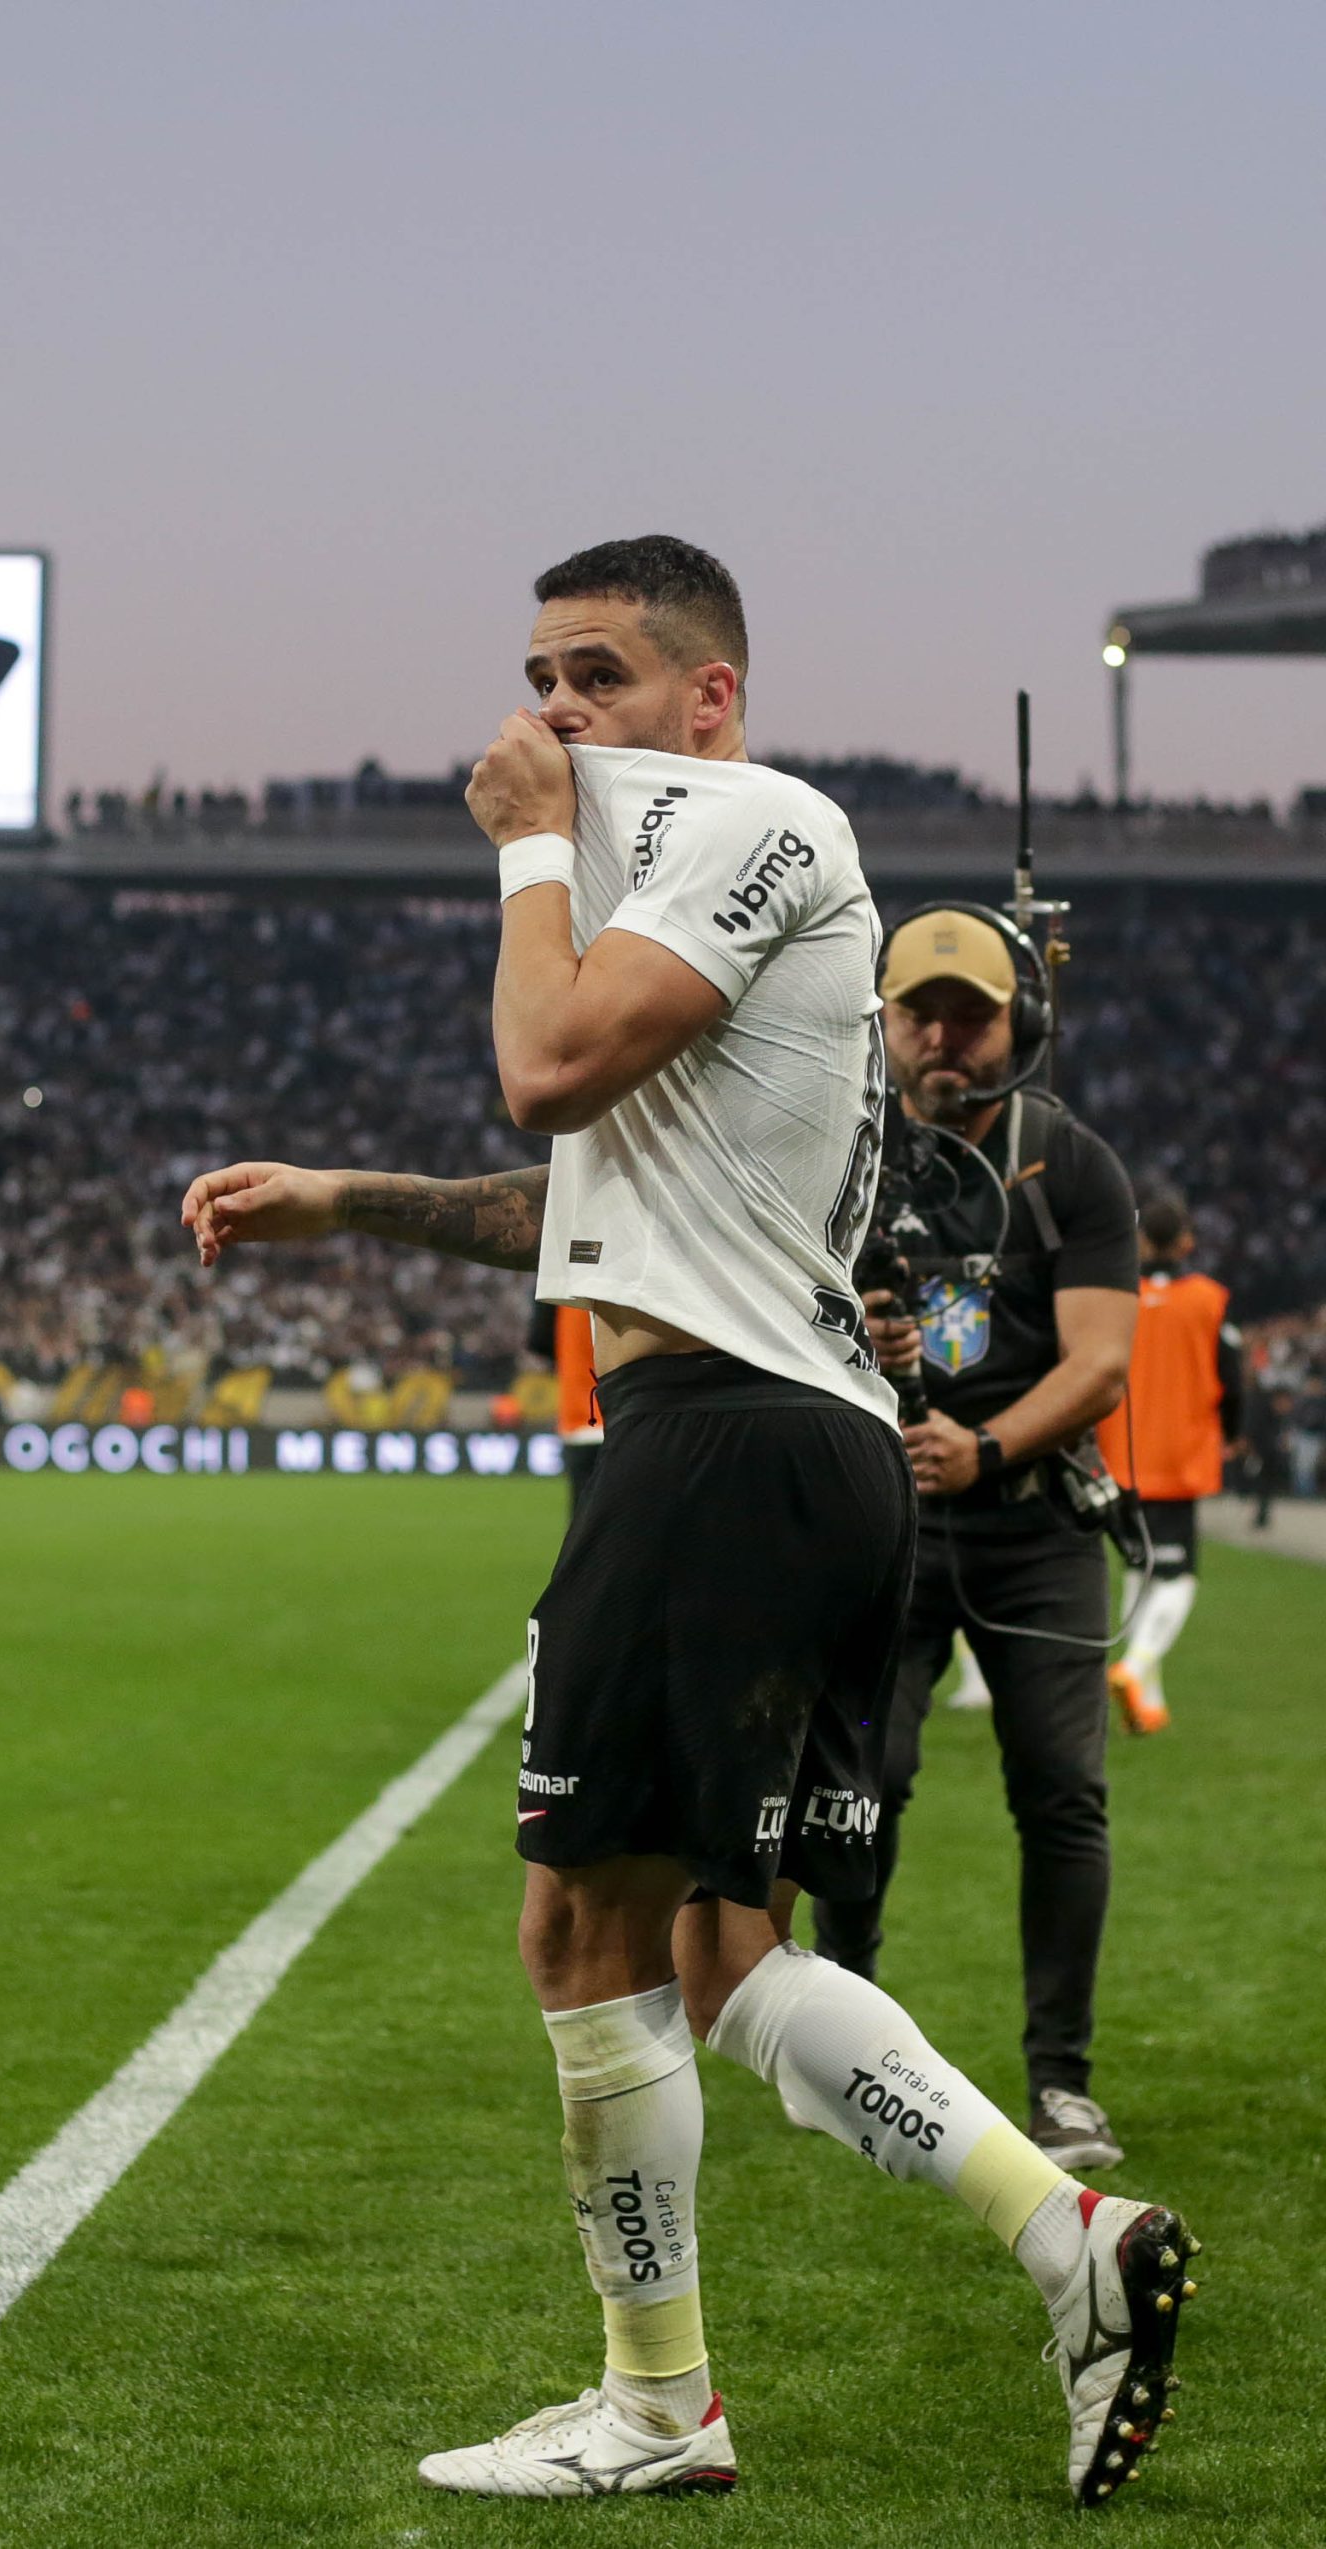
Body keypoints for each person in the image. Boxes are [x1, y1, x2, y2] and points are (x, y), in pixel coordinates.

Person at [180, 537, 1196, 2508]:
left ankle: (656, 2406)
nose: (556, 710)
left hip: (720, 1443)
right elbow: (580, 1197)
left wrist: (518, 849)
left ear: (706, 696)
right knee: (724, 1956)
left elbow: (545, 1058)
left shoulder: (753, 822)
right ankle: (1070, 2240)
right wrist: (345, 1195)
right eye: (537, 673)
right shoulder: (697, 908)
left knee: (575, 1925)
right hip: (777, 1442)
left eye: (601, 675)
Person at [815, 912, 1141, 2172]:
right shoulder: (840, 1154)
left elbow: (1101, 1361)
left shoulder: (1073, 1163)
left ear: (1022, 1023)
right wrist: (864, 1342)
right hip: (878, 1523)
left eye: (973, 1013)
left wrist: (986, 1445)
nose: (944, 1037)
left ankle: (1060, 2083)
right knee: (858, 1783)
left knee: (1060, 1790)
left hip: (1032, 1518)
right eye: (919, 1011)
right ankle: (845, 2047)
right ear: (882, 1022)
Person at [1099, 1195, 1242, 1733]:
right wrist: (1232, 1434)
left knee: (1139, 1572)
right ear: (1186, 1242)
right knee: (1178, 1579)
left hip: (1121, 1457)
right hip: (1178, 1460)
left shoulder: (1118, 1295)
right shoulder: (1209, 1300)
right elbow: (1232, 1380)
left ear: (1140, 1241)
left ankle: (1147, 1705)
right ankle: (1135, 1669)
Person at [524, 1297, 603, 1519]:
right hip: (632, 1415)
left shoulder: (560, 1272)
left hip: (581, 1416)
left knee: (585, 1523)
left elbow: (539, 1340)